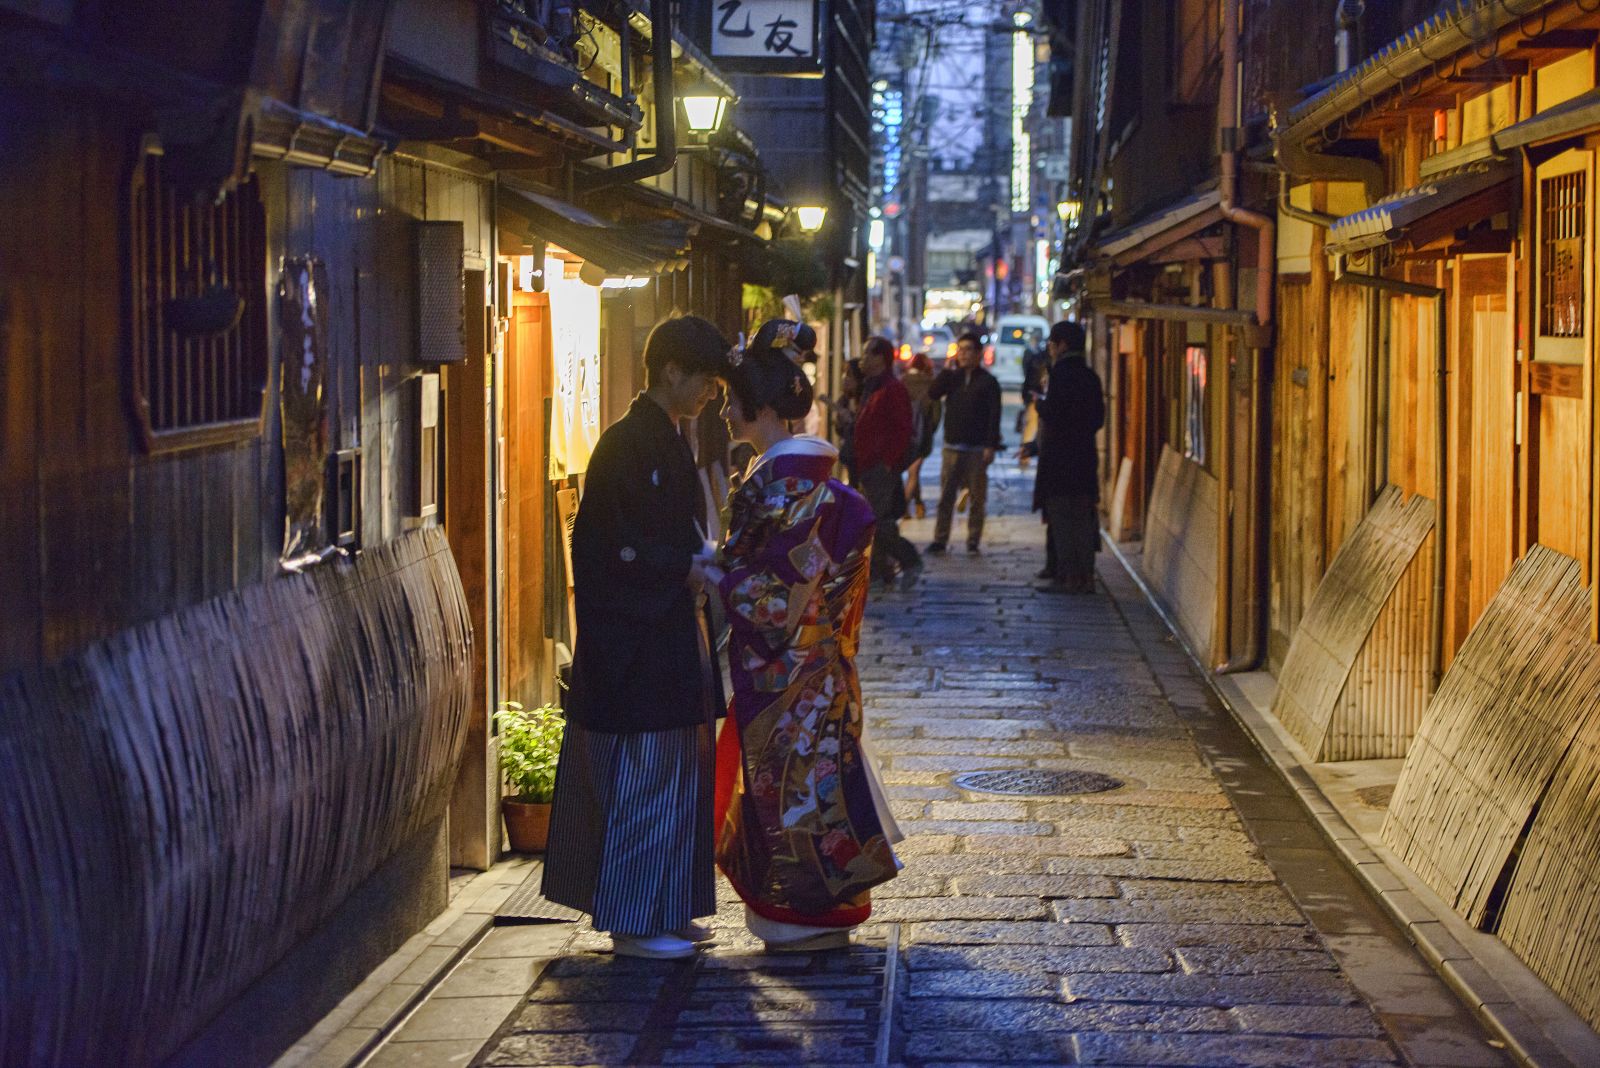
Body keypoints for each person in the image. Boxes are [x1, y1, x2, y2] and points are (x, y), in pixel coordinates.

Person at [709, 323, 902, 952]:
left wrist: (714, 571)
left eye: (730, 399)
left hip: (785, 672)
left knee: (791, 798)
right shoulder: (818, 486)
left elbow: (771, 596)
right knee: (816, 792)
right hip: (820, 665)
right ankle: (816, 915)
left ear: (761, 409)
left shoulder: (781, 490)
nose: (724, 409)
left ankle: (800, 919)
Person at [542, 315, 729, 960]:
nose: (711, 390)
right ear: (671, 370)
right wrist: (682, 567)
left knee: (677, 777)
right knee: (647, 780)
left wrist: (695, 561)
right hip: (637, 646)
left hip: (668, 636)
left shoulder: (668, 438)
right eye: (704, 377)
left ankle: (667, 908)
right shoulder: (627, 444)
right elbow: (606, 551)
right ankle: (633, 921)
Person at [1030, 320, 1106, 593]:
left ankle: (1069, 577)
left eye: (1052, 342)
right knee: (1084, 521)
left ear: (1062, 345)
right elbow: (1098, 419)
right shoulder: (1090, 376)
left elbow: (1054, 413)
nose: (1050, 348)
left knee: (1063, 521)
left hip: (1060, 460)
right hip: (1085, 458)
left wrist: (1040, 404)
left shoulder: (1060, 375)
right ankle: (1085, 577)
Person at [853, 337, 923, 589]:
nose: (863, 360)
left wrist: (887, 462)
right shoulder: (871, 386)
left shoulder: (892, 388)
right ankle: (880, 571)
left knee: (878, 521)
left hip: (880, 466)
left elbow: (902, 429)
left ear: (880, 358)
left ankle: (908, 558)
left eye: (867, 354)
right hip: (868, 464)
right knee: (871, 521)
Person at [927, 332, 1003, 554]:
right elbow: (933, 393)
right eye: (960, 350)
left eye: (968, 350)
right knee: (946, 496)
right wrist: (948, 370)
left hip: (977, 448)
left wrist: (991, 445)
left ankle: (973, 539)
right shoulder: (953, 378)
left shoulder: (988, 382)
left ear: (978, 353)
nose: (964, 354)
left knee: (977, 497)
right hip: (952, 446)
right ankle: (940, 538)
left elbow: (994, 415)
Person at [901, 352, 940, 519]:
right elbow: (936, 415)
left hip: (902, 434)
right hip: (922, 435)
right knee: (914, 473)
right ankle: (904, 506)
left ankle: (918, 504)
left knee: (912, 472)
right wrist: (930, 430)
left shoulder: (901, 382)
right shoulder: (931, 385)